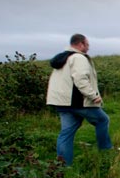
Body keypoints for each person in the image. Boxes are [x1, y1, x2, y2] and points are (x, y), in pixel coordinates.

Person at [46, 33, 112, 166]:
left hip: (62, 102)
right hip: (77, 101)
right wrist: (94, 96)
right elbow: (81, 79)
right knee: (102, 120)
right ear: (80, 44)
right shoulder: (78, 58)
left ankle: (63, 166)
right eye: (87, 45)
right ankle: (106, 152)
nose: (88, 48)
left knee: (67, 132)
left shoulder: (63, 58)